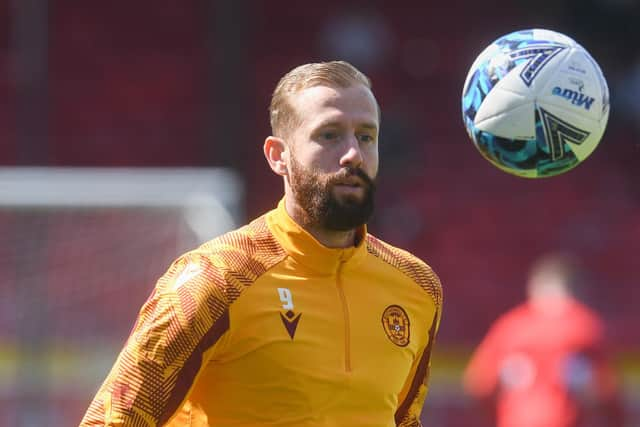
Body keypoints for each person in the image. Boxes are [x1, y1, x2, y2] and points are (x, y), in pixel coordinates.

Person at [80, 61, 443, 427]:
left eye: (366, 136)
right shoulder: (219, 278)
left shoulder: (417, 287)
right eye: (329, 135)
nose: (353, 154)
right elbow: (113, 421)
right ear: (277, 155)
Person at [463, 252, 624, 427]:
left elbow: (479, 385)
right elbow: (608, 393)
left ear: (534, 288)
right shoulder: (584, 326)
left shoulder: (510, 326)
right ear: (572, 289)